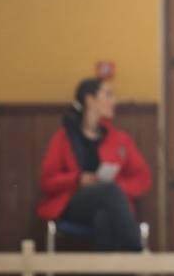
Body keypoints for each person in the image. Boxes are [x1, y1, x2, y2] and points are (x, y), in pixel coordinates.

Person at [38, 77, 151, 252]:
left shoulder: (119, 139)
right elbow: (47, 181)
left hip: (109, 203)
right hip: (74, 201)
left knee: (103, 217)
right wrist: (78, 179)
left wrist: (118, 187)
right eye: (108, 95)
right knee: (109, 191)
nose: (114, 101)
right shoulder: (64, 137)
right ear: (90, 100)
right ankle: (136, 249)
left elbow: (142, 178)